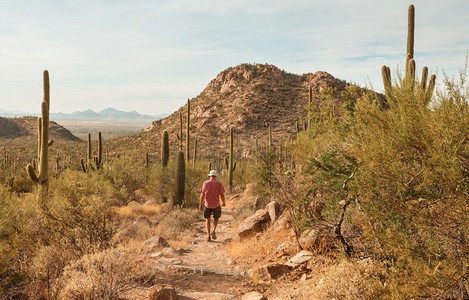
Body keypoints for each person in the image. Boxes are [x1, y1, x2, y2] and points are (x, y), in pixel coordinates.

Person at [199, 170, 226, 242]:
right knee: (216, 218)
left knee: (207, 220)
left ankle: (208, 236)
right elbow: (222, 194)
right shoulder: (218, 183)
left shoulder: (205, 183)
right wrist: (223, 202)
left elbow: (202, 194)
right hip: (216, 204)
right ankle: (213, 230)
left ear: (210, 176)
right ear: (215, 176)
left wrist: (200, 204)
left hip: (207, 204)